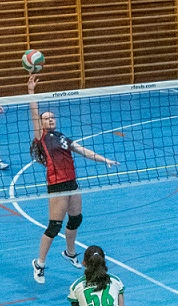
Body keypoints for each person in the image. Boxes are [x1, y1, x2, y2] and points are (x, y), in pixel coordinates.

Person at [28, 75, 117, 284]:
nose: (51, 120)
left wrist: (105, 160)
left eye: (52, 118)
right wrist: (31, 92)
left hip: (72, 182)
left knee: (76, 219)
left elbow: (82, 150)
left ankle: (69, 253)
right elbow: (33, 113)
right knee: (54, 226)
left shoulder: (62, 137)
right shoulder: (41, 138)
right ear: (41, 123)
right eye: (47, 118)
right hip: (57, 185)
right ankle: (39, 263)